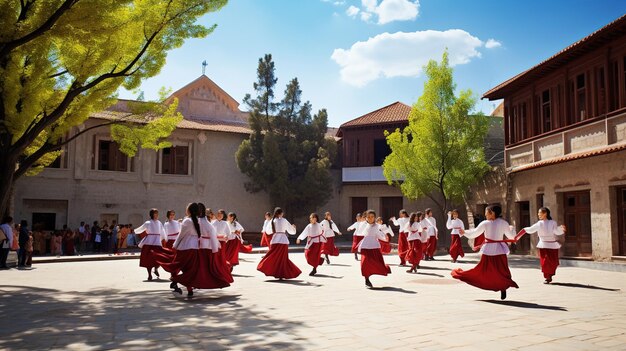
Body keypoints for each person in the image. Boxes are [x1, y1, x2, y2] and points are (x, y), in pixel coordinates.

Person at [451, 205, 519, 300]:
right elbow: (512, 237)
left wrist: (464, 232)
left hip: (490, 250)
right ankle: (502, 287)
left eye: (487, 212)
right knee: (501, 271)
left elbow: (474, 233)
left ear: (492, 213)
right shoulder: (502, 223)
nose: (485, 214)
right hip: (497, 251)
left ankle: (502, 287)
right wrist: (513, 230)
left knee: (486, 271)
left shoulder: (487, 223)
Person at [522, 207, 566, 284]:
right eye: (538, 213)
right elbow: (531, 229)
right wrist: (524, 230)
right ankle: (547, 277)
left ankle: (550, 274)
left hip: (552, 245)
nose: (538, 214)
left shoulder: (553, 222)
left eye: (540, 212)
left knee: (553, 262)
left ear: (545, 213)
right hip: (543, 245)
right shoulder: (539, 223)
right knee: (545, 262)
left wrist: (562, 230)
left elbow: (556, 231)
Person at [257, 207, 301, 280]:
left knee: (272, 256)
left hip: (275, 240)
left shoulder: (272, 221)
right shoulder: (284, 220)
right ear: (281, 213)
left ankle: (264, 267)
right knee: (283, 259)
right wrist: (294, 228)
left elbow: (268, 232)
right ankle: (281, 274)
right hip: (283, 240)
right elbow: (292, 232)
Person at [358, 210, 391, 288]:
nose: (370, 218)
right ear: (366, 217)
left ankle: (385, 268)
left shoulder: (377, 226)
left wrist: (385, 238)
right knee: (364, 263)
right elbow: (359, 233)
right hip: (365, 246)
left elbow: (379, 235)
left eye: (372, 217)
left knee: (377, 263)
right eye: (368, 217)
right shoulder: (363, 225)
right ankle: (367, 279)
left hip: (374, 246)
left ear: (375, 217)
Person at [134, 209, 167, 281]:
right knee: (148, 259)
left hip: (157, 242)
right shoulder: (148, 223)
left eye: (157, 213)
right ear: (152, 214)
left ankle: (156, 269)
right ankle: (149, 274)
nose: (157, 215)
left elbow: (162, 231)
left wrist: (164, 238)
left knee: (159, 258)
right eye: (155, 213)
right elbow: (141, 229)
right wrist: (135, 231)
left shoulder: (159, 223)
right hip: (149, 242)